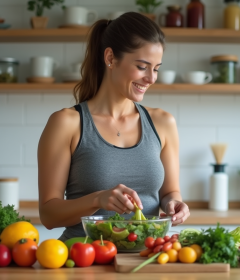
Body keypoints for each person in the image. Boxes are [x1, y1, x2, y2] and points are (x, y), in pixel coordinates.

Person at [38, 12, 190, 241]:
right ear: (110, 58)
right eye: (142, 66)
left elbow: (169, 192)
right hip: (84, 259)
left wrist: (174, 204)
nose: (151, 78)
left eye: (156, 68)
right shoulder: (66, 123)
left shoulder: (163, 123)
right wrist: (97, 199)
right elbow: (48, 215)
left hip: (146, 257)